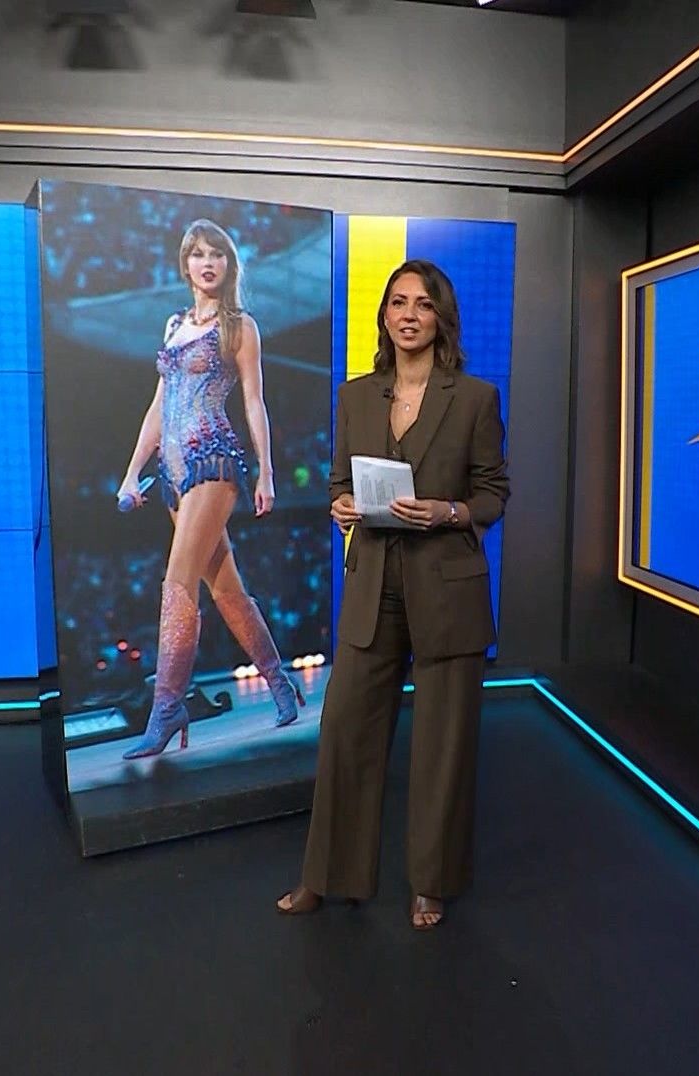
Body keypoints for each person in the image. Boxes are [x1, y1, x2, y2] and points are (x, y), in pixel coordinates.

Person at [276, 259, 508, 930]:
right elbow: (336, 481)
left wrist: (449, 513)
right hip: (372, 582)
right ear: (384, 315)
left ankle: (431, 883)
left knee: (442, 748)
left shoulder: (475, 398)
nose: (409, 314)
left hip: (447, 589)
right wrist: (341, 505)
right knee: (345, 733)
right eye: (399, 302)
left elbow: (493, 492)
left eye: (423, 304)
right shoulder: (355, 396)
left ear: (441, 318)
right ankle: (328, 876)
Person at [114, 219, 304, 759]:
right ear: (186, 264)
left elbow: (253, 402)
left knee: (177, 583)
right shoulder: (174, 324)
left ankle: (167, 708)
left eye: (217, 253)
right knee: (225, 589)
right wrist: (131, 471)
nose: (208, 262)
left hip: (213, 460)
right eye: (198, 254)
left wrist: (267, 472)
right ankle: (280, 683)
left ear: (229, 264)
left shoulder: (240, 326)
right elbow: (159, 406)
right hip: (173, 472)